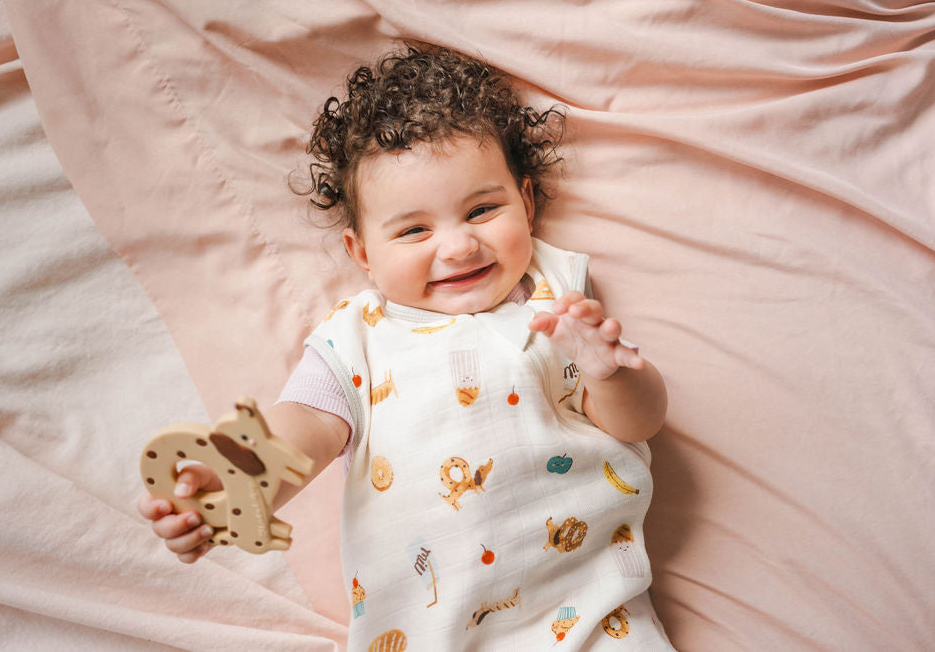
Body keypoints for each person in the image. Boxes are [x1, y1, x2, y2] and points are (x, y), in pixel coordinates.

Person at [138, 43, 672, 650]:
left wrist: (611, 374)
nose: (459, 247)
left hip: (593, 618)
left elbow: (639, 424)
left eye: (482, 210)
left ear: (525, 203)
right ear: (363, 253)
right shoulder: (357, 339)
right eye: (415, 230)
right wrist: (230, 485)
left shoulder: (560, 305)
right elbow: (303, 427)